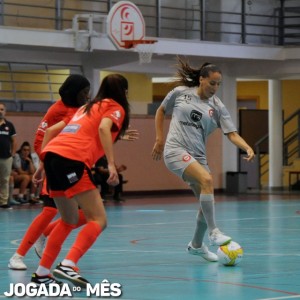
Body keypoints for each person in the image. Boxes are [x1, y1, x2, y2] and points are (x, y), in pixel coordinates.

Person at [30, 73, 130, 287]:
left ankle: (41, 274)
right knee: (99, 219)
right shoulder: (116, 107)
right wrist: (111, 163)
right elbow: (104, 128)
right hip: (72, 160)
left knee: (69, 219)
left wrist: (41, 165)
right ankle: (68, 264)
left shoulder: (87, 107)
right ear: (125, 93)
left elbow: (52, 131)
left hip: (53, 158)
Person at [152, 58, 255, 262]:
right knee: (207, 180)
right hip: (175, 150)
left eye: (219, 84)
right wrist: (159, 138)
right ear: (201, 80)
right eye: (212, 83)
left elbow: (231, 133)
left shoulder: (217, 106)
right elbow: (161, 110)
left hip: (197, 156)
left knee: (204, 204)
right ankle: (214, 232)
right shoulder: (181, 93)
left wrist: (247, 147)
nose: (215, 88)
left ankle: (196, 246)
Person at [8, 74, 91, 270]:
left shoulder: (80, 109)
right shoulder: (56, 110)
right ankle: (17, 256)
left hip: (75, 165)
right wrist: (47, 164)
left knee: (89, 214)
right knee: (50, 210)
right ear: (74, 92)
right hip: (57, 164)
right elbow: (39, 141)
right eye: (84, 92)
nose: (87, 96)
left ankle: (44, 235)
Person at [0, 102, 17, 210]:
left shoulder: (9, 125)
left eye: (2, 109)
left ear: (5, 112)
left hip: (6, 157)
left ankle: (4, 202)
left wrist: (13, 154)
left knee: (5, 180)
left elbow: (14, 141)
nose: (0, 111)